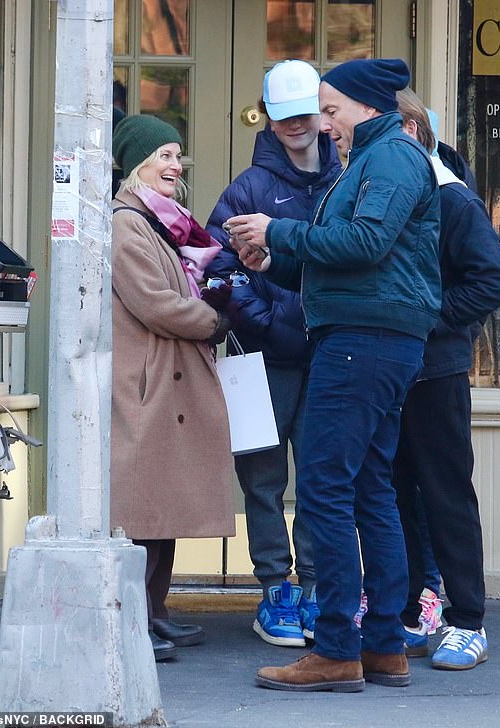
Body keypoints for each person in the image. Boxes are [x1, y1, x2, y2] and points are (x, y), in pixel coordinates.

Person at [226, 57, 441, 691]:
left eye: (332, 110)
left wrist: (279, 228)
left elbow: (365, 245)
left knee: (324, 487)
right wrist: (271, 262)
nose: (325, 123)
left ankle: (338, 646)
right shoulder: (375, 160)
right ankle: (380, 647)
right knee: (371, 488)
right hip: (371, 338)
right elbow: (351, 262)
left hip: (362, 345)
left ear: (366, 108)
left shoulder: (391, 159)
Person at [205, 60, 342, 647]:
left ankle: (313, 587)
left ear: (322, 111)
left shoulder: (348, 179)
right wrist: (262, 324)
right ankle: (274, 589)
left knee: (319, 477)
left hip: (332, 353)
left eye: (305, 112)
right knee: (262, 480)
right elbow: (216, 270)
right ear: (267, 114)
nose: (296, 125)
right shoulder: (248, 188)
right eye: (283, 114)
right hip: (261, 358)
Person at [111, 114, 235, 662]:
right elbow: (155, 303)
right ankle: (134, 617)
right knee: (142, 507)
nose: (175, 165)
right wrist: (214, 320)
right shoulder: (126, 224)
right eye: (163, 154)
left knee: (163, 501)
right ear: (136, 162)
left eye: (177, 154)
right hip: (148, 379)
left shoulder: (162, 221)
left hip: (170, 376)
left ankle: (155, 612)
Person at [393, 88, 500, 669]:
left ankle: (469, 621)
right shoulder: (385, 191)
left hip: (435, 371)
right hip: (389, 370)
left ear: (412, 131)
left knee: (445, 495)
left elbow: (491, 283)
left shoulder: (453, 200)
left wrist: (427, 318)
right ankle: (416, 611)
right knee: (395, 495)